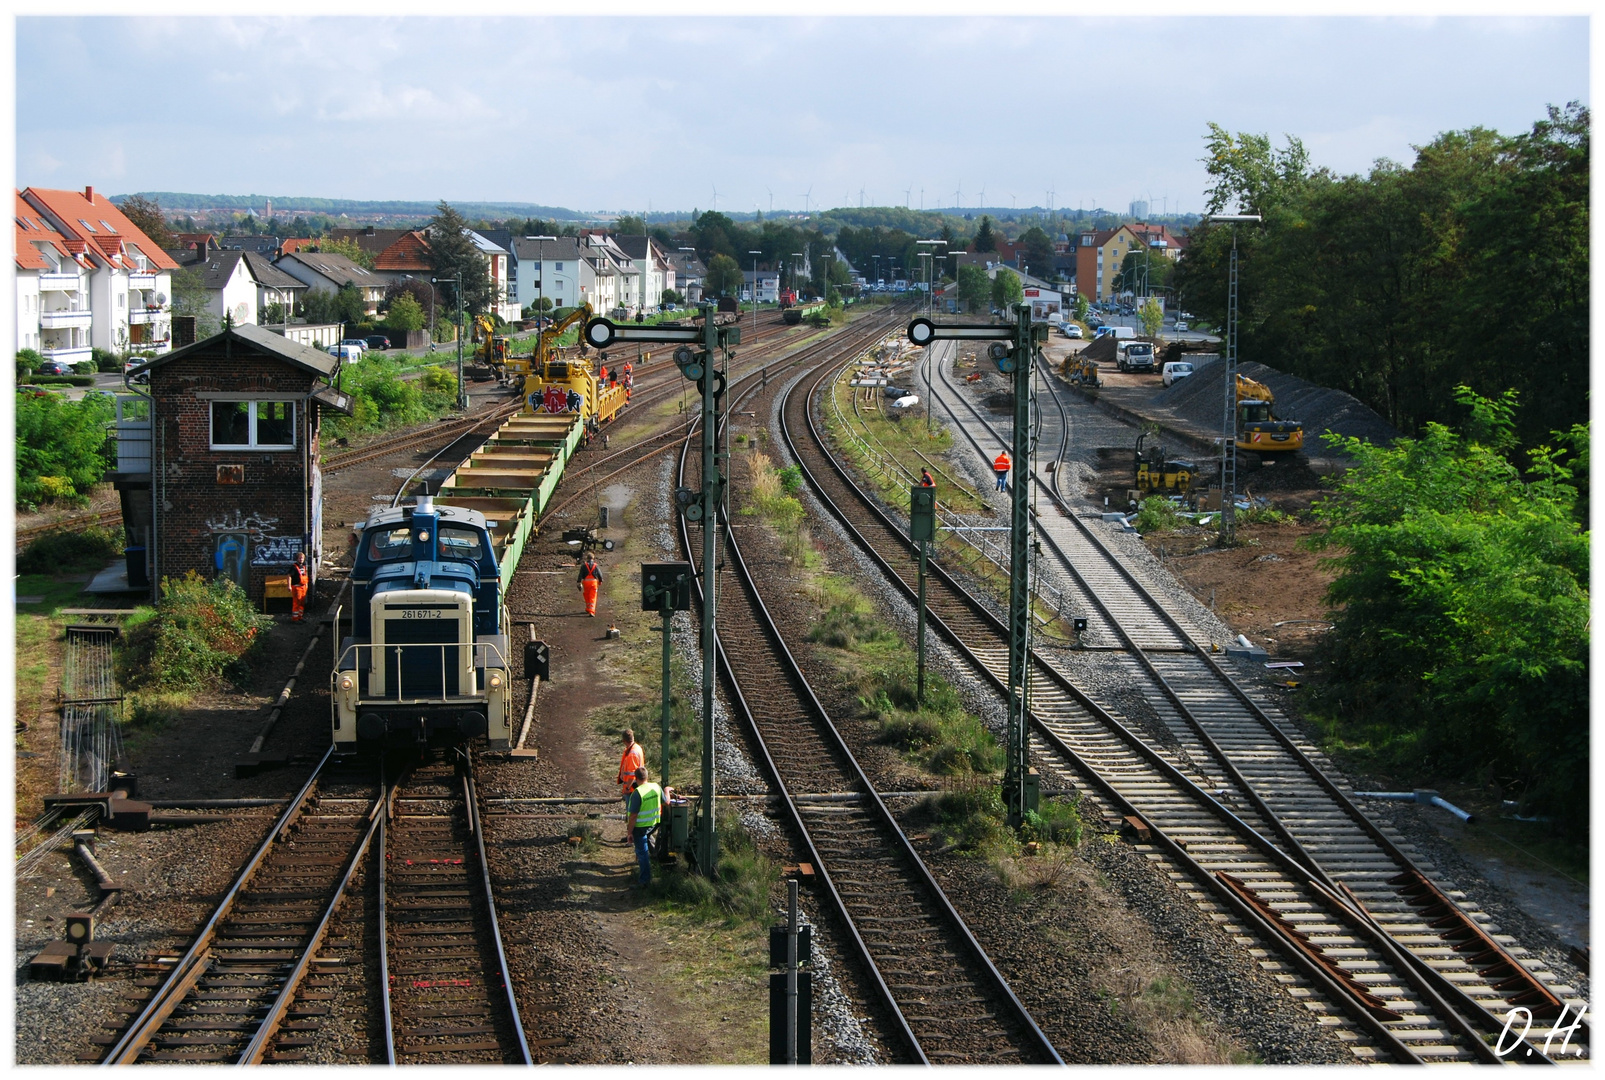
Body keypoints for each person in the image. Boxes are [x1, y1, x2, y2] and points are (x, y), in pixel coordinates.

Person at [625, 765, 663, 888]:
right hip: (654, 824)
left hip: (640, 827)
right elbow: (666, 801)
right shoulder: (656, 787)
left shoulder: (637, 793)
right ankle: (655, 864)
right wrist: (667, 790)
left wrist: (629, 832)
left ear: (636, 779)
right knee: (647, 847)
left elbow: (633, 816)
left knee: (642, 854)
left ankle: (644, 881)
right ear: (647, 776)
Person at [616, 729, 644, 841]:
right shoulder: (636, 748)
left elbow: (632, 774)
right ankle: (632, 835)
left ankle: (631, 836)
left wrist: (627, 788)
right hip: (636, 786)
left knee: (632, 813)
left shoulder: (632, 753)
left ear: (623, 740)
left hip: (632, 789)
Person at [577, 550, 603, 617]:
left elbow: (580, 574)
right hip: (593, 582)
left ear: (587, 558)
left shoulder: (583, 566)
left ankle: (588, 608)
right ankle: (591, 611)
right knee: (593, 597)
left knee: (587, 595)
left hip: (586, 582)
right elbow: (600, 574)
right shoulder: (595, 565)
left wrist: (579, 582)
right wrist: (600, 581)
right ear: (593, 558)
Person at [288, 551, 308, 623]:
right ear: (297, 559)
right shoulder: (294, 567)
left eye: (302, 558)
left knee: (302, 603)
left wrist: (306, 585)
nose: (301, 559)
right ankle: (295, 618)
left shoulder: (303, 566)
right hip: (297, 587)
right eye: (300, 558)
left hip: (303, 587)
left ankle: (300, 616)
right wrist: (289, 586)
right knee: (297, 602)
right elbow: (289, 576)